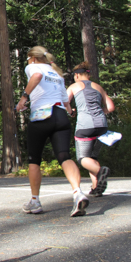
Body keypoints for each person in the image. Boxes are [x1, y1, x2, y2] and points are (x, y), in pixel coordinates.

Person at [15, 46, 88, 217]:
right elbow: (65, 101)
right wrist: (70, 112)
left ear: (33, 58)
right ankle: (77, 193)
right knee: (64, 156)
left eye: (28, 59)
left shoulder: (33, 67)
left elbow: (37, 77)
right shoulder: (57, 73)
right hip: (60, 116)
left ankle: (35, 201)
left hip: (42, 116)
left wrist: (24, 98)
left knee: (34, 160)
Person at [67, 62, 115, 197]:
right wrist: (100, 112)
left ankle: (101, 171)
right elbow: (111, 107)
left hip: (85, 126)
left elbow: (64, 101)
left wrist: (71, 112)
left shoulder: (75, 86)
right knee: (92, 157)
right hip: (102, 126)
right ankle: (96, 187)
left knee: (83, 158)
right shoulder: (98, 87)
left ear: (77, 75)